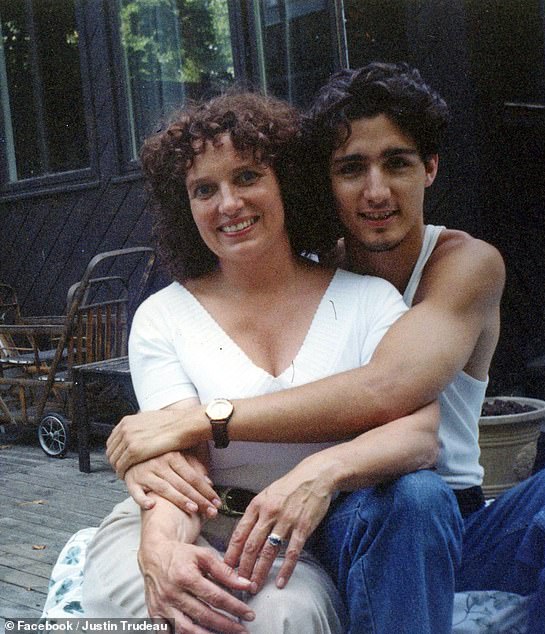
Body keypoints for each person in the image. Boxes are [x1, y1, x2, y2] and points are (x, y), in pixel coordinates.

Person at [107, 63, 545, 634]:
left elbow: (392, 388)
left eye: (398, 163)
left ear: (430, 168)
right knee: (410, 497)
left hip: (445, 511)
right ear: (323, 181)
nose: (376, 191)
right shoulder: (315, 274)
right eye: (351, 168)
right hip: (360, 515)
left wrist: (205, 423)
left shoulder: (463, 264)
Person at [82, 90, 447, 633]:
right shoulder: (163, 316)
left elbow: (420, 435)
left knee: (278, 620)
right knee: (181, 614)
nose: (228, 204)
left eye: (247, 177)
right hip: (186, 522)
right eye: (204, 189)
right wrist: (162, 553)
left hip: (290, 540)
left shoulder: (367, 301)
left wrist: (316, 473)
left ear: (287, 183)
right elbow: (180, 464)